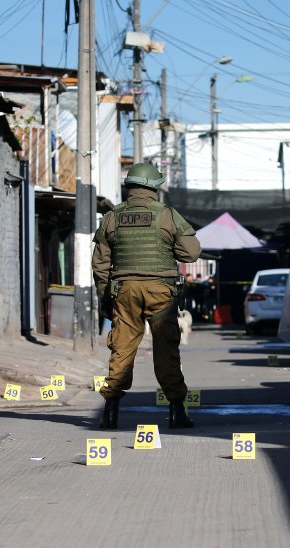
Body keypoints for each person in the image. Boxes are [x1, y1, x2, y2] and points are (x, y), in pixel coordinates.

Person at [92, 163, 202, 430]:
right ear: (154, 187)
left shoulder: (112, 217)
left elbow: (100, 265)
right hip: (160, 290)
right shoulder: (167, 215)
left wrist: (106, 299)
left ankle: (110, 412)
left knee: (122, 349)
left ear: (129, 187)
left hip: (124, 290)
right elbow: (191, 254)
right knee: (166, 350)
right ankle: (177, 412)